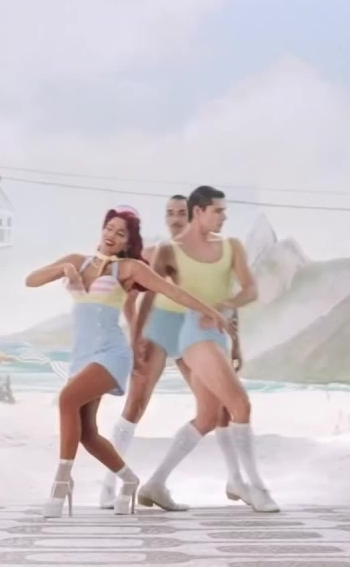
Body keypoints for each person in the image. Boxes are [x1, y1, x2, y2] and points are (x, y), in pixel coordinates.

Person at [25, 207, 231, 518]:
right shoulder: (78, 261)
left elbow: (173, 291)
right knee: (87, 434)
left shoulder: (128, 268)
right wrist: (65, 269)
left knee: (67, 399)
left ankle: (61, 484)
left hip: (111, 354)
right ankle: (129, 480)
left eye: (120, 233)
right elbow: (31, 280)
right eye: (109, 228)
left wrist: (211, 312)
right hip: (80, 357)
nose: (112, 235)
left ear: (126, 243)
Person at [133, 185, 278, 513]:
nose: (224, 216)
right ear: (198, 211)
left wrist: (231, 325)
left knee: (210, 416)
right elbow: (151, 293)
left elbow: (250, 290)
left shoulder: (231, 246)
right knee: (240, 404)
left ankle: (155, 483)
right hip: (194, 334)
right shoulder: (170, 251)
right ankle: (255, 487)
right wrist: (138, 337)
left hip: (220, 336)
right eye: (218, 210)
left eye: (224, 211)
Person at [98, 195, 202, 508]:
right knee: (136, 405)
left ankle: (158, 482)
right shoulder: (154, 253)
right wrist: (135, 336)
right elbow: (130, 300)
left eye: (181, 213)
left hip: (188, 336)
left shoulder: (204, 255)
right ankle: (108, 486)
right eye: (170, 213)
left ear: (193, 217)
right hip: (154, 334)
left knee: (212, 407)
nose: (175, 218)